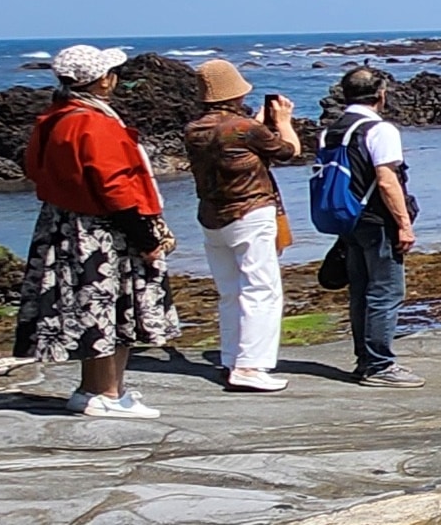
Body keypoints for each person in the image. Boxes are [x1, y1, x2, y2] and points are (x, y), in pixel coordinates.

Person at [15, 45, 182, 416]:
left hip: (64, 224)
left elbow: (33, 168)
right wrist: (145, 236)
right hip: (101, 229)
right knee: (116, 307)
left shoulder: (54, 118)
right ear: (103, 81)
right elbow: (114, 185)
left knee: (88, 309)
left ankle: (92, 389)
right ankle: (108, 392)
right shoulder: (94, 123)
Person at [183, 60, 300, 393]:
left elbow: (231, 139)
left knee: (230, 292)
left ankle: (232, 358)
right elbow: (288, 151)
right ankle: (250, 367)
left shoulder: (194, 131)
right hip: (250, 213)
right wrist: (284, 122)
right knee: (261, 290)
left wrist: (257, 124)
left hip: (211, 217)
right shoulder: (245, 129)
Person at [322, 66, 425, 387]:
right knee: (386, 290)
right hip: (378, 219)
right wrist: (404, 225)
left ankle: (365, 360)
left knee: (361, 291)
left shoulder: (331, 130)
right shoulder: (380, 130)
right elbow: (387, 180)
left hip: (348, 217)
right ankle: (379, 364)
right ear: (381, 94)